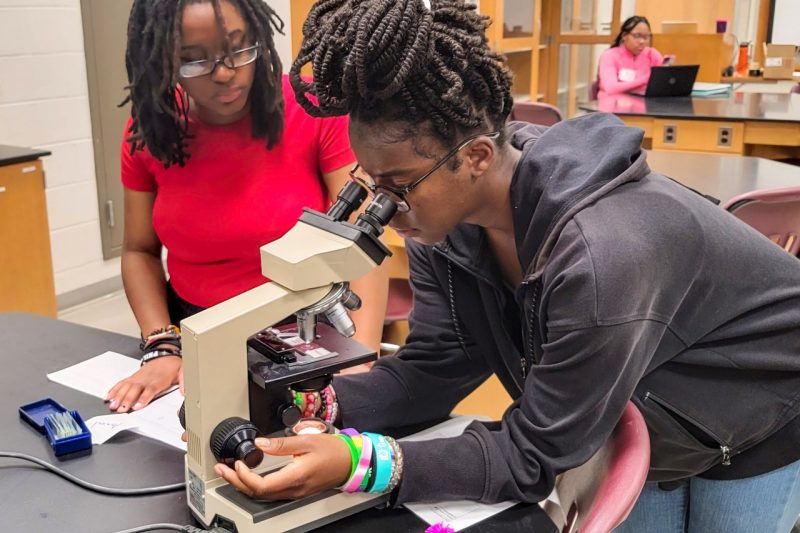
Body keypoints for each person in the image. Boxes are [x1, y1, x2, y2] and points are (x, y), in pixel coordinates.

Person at [213, 1, 800, 531]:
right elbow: (435, 370)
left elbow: (533, 455)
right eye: (373, 185)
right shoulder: (443, 229)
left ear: (475, 157)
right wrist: (303, 405)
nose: (385, 211)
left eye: (398, 188)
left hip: (756, 411)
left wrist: (361, 464)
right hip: (627, 402)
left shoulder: (604, 254)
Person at [106, 0, 389, 414]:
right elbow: (138, 252)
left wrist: (358, 363)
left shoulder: (310, 107)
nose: (224, 73)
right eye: (195, 60)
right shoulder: (153, 128)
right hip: (194, 332)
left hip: (304, 329)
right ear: (164, 60)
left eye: (240, 49)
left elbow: (362, 241)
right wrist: (162, 345)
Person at [597, 15, 665, 96]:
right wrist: (646, 79)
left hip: (645, 105)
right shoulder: (609, 55)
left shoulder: (652, 54)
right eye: (637, 36)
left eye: (646, 37)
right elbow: (611, 88)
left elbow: (664, 83)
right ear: (624, 36)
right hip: (612, 104)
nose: (642, 41)